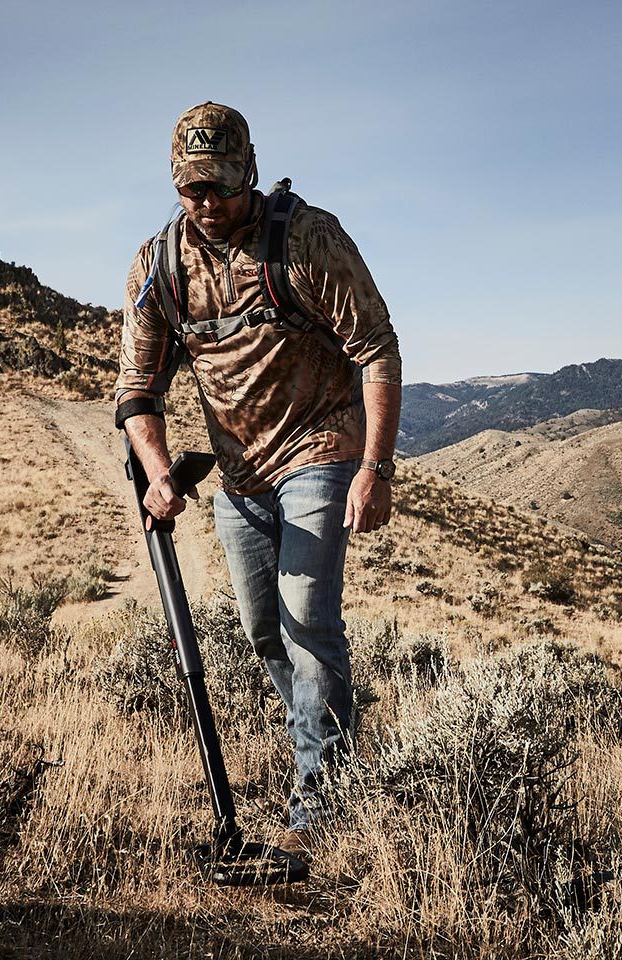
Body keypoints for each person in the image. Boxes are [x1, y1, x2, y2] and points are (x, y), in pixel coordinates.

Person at [115, 102, 402, 857]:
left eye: (219, 183)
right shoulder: (159, 266)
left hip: (320, 448)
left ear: (248, 170)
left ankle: (321, 805)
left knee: (308, 618)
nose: (206, 201)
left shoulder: (308, 240)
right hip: (239, 478)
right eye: (191, 187)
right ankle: (330, 751)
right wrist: (158, 474)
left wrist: (375, 468)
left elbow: (376, 348)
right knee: (265, 631)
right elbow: (137, 388)